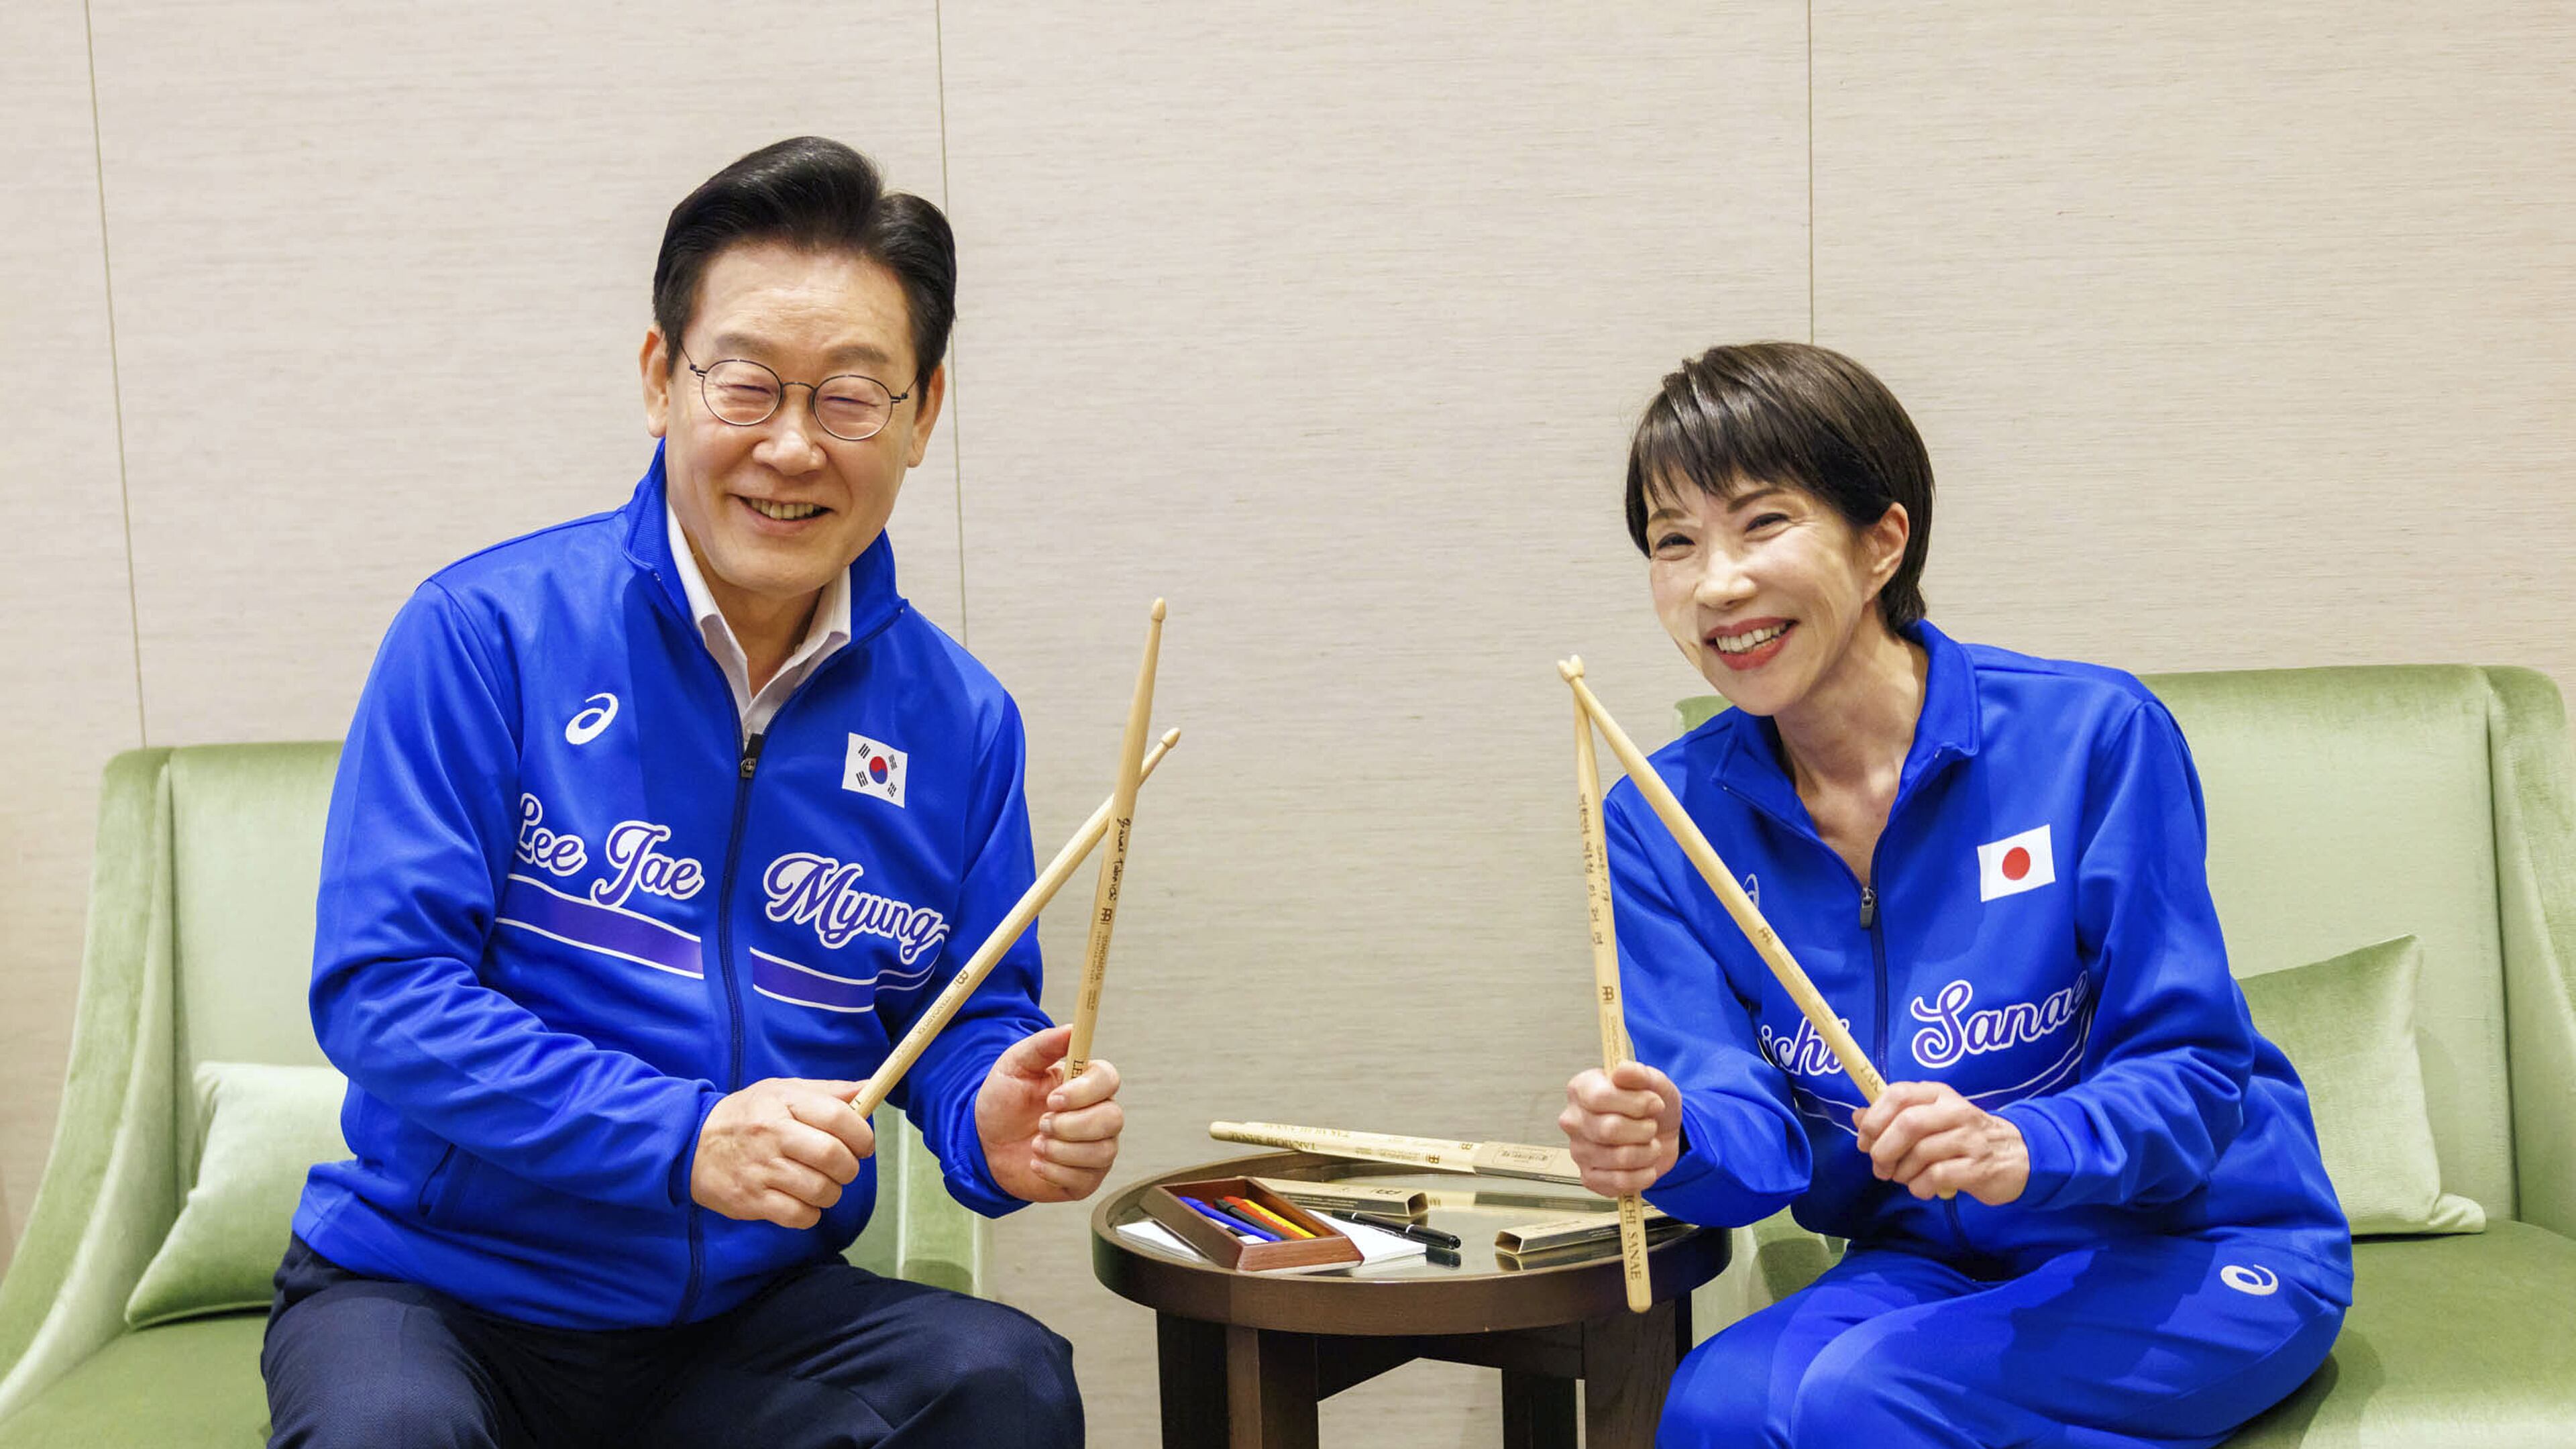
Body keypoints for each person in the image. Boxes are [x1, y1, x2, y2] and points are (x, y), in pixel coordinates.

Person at [262, 137, 1112, 1448]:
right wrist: (681, 1138)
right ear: (661, 379)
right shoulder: (483, 634)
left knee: (1002, 1383)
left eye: (848, 398)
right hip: (439, 1292)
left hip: (750, 1311)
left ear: (923, 414)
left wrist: (986, 1112)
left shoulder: (960, 724)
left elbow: (961, 1012)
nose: (789, 445)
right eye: (746, 384)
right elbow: (385, 996)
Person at [1558, 342, 2350, 1448]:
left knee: (1863, 1401)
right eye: (1673, 542)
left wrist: (2027, 1147)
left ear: (1884, 541)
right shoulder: (1660, 823)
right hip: (1927, 1264)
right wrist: (1672, 1138)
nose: (1715, 583)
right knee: (1714, 1407)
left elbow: (2195, 1070)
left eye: (1763, 523)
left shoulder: (2090, 738)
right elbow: (1753, 1138)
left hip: (2200, 1247)